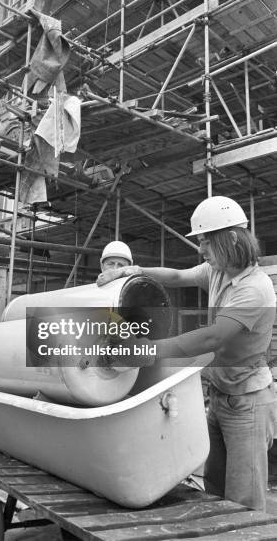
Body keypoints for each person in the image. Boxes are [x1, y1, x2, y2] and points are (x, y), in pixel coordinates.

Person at [97, 196, 277, 511]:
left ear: (231, 239)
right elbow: (179, 277)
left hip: (247, 404)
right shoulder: (219, 270)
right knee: (215, 488)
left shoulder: (255, 289)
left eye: (206, 242)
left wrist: (144, 351)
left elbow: (211, 338)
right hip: (220, 396)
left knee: (244, 500)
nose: (200, 249)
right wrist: (134, 271)